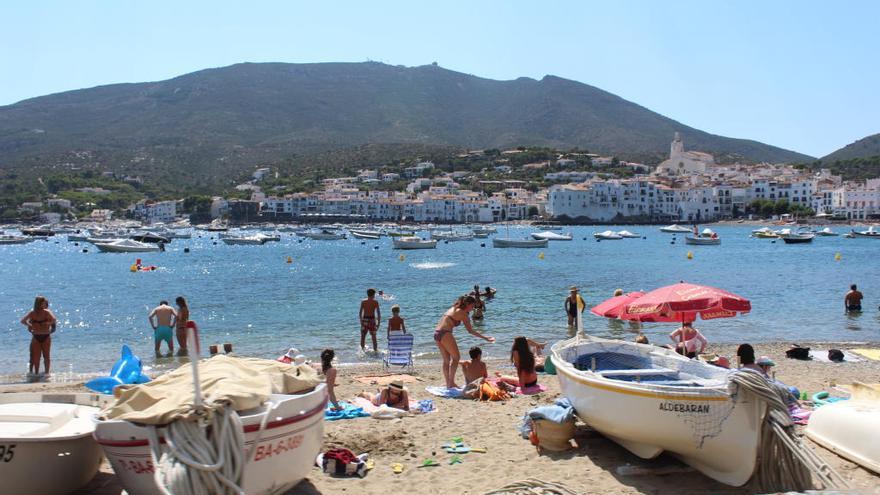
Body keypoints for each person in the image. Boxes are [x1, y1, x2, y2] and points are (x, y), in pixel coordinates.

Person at [434, 295, 495, 389]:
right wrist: (485, 337)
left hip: (437, 333)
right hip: (445, 333)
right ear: (467, 304)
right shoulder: (463, 313)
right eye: (472, 306)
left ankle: (448, 384)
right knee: (456, 357)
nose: (472, 309)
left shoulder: (454, 308)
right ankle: (451, 383)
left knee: (446, 360)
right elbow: (470, 331)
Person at [20, 295, 57, 375]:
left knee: (46, 356)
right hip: (37, 336)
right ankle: (36, 374)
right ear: (39, 303)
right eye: (43, 303)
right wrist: (30, 325)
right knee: (36, 357)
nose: (45, 305)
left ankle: (46, 374)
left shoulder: (46, 312)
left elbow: (54, 320)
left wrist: (48, 323)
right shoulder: (32, 313)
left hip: (45, 336)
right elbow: (22, 321)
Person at [358, 288, 381, 352]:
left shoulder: (363, 301)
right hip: (372, 320)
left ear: (367, 294)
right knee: (374, 337)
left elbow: (360, 313)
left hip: (365, 319)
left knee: (363, 336)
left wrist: (361, 322)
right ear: (373, 294)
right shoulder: (375, 302)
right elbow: (378, 313)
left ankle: (362, 351)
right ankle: (375, 351)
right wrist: (378, 323)